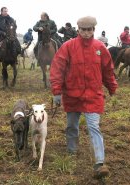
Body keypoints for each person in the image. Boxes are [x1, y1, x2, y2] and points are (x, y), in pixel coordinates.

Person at [50, 16, 118, 179]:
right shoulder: (68, 46)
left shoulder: (100, 48)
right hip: (72, 95)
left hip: (93, 96)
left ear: (94, 30)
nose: (86, 33)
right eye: (83, 30)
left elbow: (108, 70)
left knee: (94, 127)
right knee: (71, 126)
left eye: (89, 30)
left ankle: (99, 163)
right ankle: (72, 151)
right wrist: (57, 91)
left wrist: (112, 86)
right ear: (78, 29)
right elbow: (57, 68)